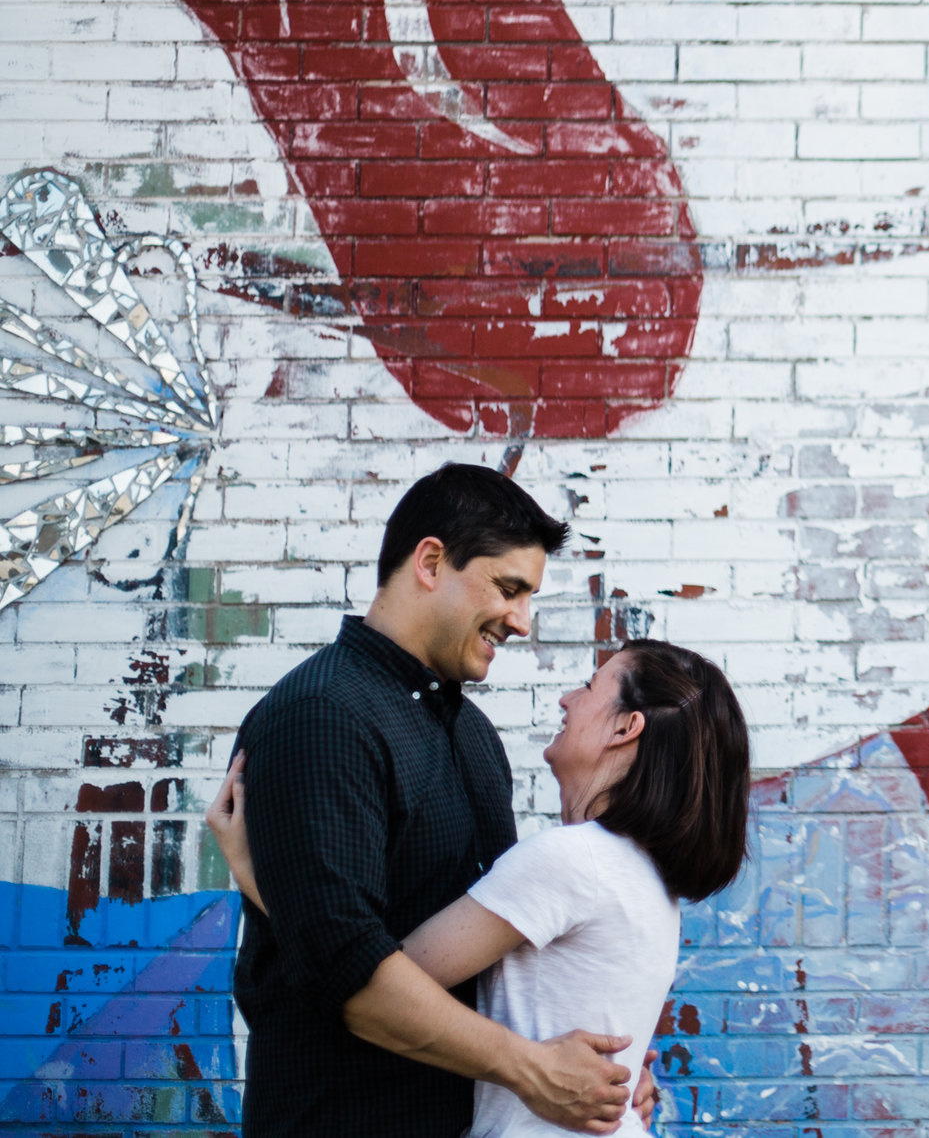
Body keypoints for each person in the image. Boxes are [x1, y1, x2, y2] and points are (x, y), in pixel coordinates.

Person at [215, 465, 635, 1136]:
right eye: (508, 588)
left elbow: (493, 950)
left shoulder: (470, 732)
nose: (522, 621)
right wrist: (533, 1068)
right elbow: (349, 973)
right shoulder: (323, 717)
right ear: (432, 561)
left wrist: (602, 1070)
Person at [214, 636, 750, 1138]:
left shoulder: (571, 860)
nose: (567, 699)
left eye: (588, 688)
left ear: (624, 728)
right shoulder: (642, 874)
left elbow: (379, 978)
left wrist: (259, 876)